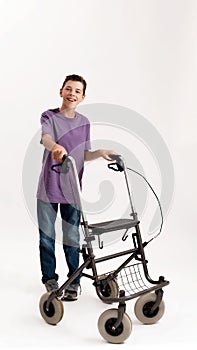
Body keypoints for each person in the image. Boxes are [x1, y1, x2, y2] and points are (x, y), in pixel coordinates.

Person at [37, 74, 114, 301]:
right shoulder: (49, 116)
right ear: (61, 91)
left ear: (82, 97)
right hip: (48, 189)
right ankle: (50, 279)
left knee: (72, 237)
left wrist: (99, 153)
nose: (72, 93)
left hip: (72, 190)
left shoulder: (84, 122)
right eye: (68, 89)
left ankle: (74, 279)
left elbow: (83, 154)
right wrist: (56, 147)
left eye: (77, 91)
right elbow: (46, 139)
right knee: (47, 238)